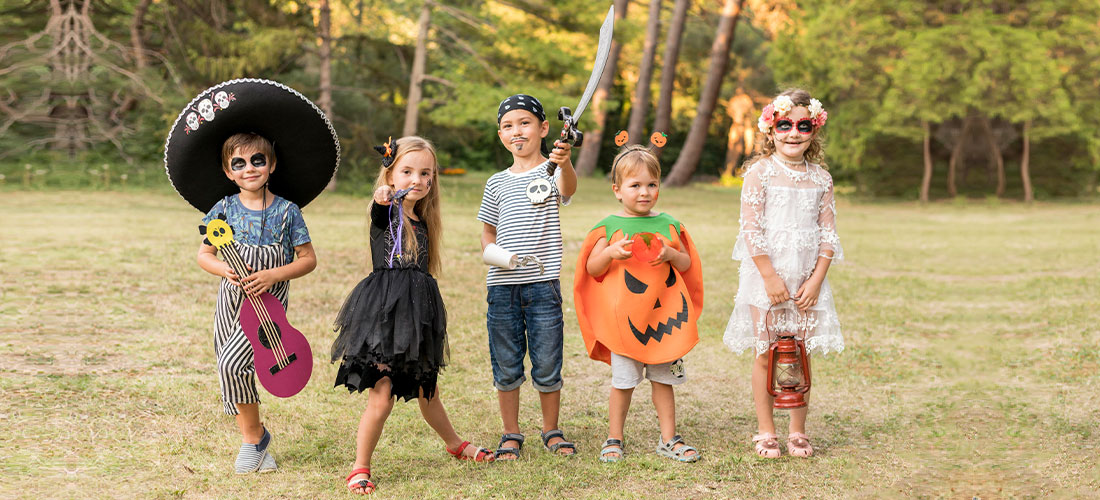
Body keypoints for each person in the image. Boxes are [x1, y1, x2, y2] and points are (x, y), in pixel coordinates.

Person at [332, 137, 494, 495]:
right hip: (384, 315)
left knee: (427, 389)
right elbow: (379, 205)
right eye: (407, 171)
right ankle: (360, 467)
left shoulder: (422, 219)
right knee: (383, 392)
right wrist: (384, 196)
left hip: (417, 314)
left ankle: (455, 444)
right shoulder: (387, 212)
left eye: (425, 173)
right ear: (390, 174)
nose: (417, 180)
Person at [723, 89, 844, 458]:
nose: (793, 133)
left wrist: (816, 280)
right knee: (767, 352)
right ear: (770, 129)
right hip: (766, 281)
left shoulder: (821, 179)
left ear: (814, 130)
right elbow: (751, 229)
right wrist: (770, 278)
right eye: (785, 125)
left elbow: (828, 234)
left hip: (806, 280)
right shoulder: (759, 174)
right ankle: (765, 430)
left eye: (803, 125)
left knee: (799, 355)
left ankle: (798, 430)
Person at [196, 132, 318, 473]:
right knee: (232, 366)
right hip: (230, 301)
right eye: (239, 163)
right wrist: (225, 269)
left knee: (233, 364)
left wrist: (274, 275)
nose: (249, 168)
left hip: (268, 306)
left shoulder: (287, 212)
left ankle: (254, 438)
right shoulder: (223, 209)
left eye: (257, 161)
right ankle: (256, 441)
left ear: (272, 165)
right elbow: (204, 255)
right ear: (228, 172)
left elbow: (308, 259)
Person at [574, 145, 704, 463]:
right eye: (635, 185)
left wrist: (672, 254)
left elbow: (687, 264)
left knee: (664, 381)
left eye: (651, 184)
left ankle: (669, 438)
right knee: (624, 383)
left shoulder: (669, 225)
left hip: (663, 324)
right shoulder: (608, 228)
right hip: (625, 325)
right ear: (618, 191)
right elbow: (591, 269)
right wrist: (610, 253)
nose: (644, 192)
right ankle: (614, 438)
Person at [477, 94, 578, 459]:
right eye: (507, 125)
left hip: (543, 285)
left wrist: (563, 164)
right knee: (506, 361)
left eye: (524, 123)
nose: (516, 131)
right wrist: (497, 256)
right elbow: (488, 231)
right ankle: (511, 433)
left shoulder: (551, 171)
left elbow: (567, 190)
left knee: (548, 360)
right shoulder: (496, 183)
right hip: (502, 286)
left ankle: (551, 429)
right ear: (500, 134)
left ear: (543, 128)